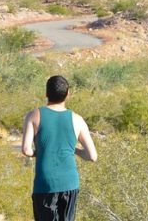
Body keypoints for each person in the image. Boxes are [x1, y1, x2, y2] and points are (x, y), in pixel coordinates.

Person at [22, 75, 98, 221]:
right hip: (70, 183)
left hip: (45, 184)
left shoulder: (34, 115)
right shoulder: (77, 119)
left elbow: (26, 150)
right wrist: (73, 149)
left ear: (46, 93)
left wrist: (38, 152)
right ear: (67, 94)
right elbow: (92, 156)